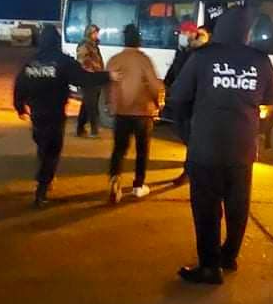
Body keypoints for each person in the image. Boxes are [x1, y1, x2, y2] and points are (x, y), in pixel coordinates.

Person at [170, 7, 273, 285]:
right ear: (246, 31)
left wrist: (188, 127)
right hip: (242, 147)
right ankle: (229, 256)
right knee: (237, 205)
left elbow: (178, 95)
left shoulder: (202, 57)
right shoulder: (259, 59)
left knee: (206, 208)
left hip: (206, 146)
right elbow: (272, 97)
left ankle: (210, 266)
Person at [14, 25, 115, 207]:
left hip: (37, 114)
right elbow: (84, 79)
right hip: (55, 113)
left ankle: (45, 180)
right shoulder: (62, 61)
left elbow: (19, 86)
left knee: (43, 147)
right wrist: (108, 76)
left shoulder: (31, 63)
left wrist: (20, 107)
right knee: (52, 151)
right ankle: (42, 190)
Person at [105, 24, 163, 203]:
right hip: (142, 112)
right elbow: (154, 86)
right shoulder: (144, 60)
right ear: (139, 40)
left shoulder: (114, 60)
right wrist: (158, 103)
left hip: (121, 112)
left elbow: (108, 85)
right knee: (142, 150)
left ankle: (115, 180)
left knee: (119, 149)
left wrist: (111, 105)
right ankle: (138, 185)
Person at [164, 21, 207, 186]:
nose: (180, 36)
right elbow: (174, 70)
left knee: (191, 138)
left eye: (183, 33)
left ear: (191, 34)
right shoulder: (182, 50)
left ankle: (190, 171)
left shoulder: (199, 52)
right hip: (180, 99)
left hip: (192, 101)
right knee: (184, 133)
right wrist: (166, 85)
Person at [75, 24, 105, 138]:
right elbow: (83, 61)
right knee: (92, 105)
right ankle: (94, 130)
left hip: (95, 78)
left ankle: (80, 128)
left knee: (87, 104)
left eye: (97, 33)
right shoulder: (84, 44)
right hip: (88, 78)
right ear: (89, 33)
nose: (96, 35)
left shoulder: (94, 45)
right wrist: (93, 71)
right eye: (95, 33)